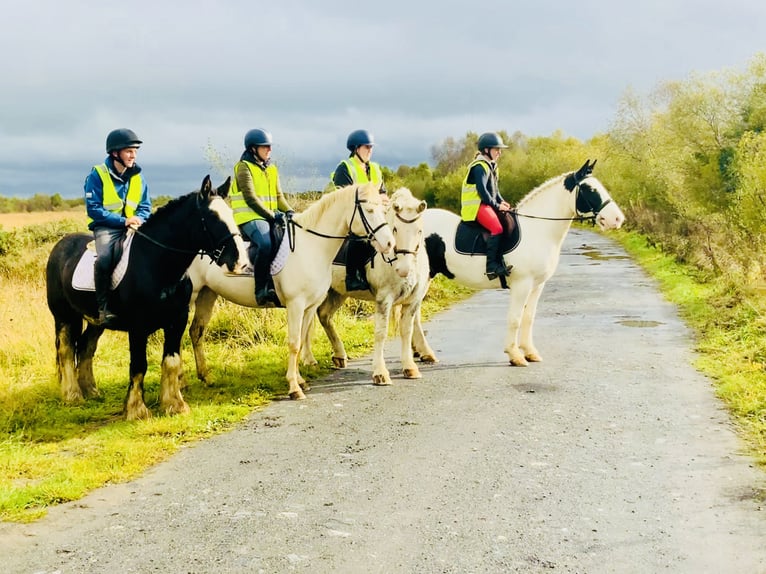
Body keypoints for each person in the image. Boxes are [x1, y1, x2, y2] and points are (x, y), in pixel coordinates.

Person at [84, 128, 152, 325]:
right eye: (129, 151)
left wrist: (138, 218)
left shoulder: (139, 177)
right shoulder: (98, 175)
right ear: (115, 153)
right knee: (104, 259)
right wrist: (123, 221)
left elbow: (145, 206)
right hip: (107, 227)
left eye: (135, 151)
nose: (134, 155)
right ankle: (103, 308)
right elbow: (94, 209)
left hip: (135, 226)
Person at [229, 128, 294, 306]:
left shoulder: (271, 168)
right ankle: (260, 290)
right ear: (253, 149)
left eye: (270, 146)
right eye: (265, 147)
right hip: (249, 218)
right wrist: (273, 215)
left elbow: (279, 196)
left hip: (268, 218)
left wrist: (290, 211)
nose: (269, 150)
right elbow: (250, 198)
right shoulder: (243, 167)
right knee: (265, 243)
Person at [330, 129, 388, 291]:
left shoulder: (375, 168)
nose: (370, 150)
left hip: (374, 212)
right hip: (351, 214)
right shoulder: (345, 168)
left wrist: (378, 199)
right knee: (360, 234)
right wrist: (375, 199)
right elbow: (346, 197)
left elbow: (384, 195)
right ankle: (352, 276)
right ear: (356, 149)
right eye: (366, 147)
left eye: (371, 147)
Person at [461, 131, 513, 280]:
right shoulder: (479, 167)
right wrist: (497, 206)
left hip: (486, 204)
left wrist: (501, 201)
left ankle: (501, 260)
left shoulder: (492, 166)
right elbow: (483, 193)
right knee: (497, 228)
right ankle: (491, 267)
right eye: (497, 149)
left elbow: (494, 190)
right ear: (486, 150)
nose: (499, 153)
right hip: (476, 207)